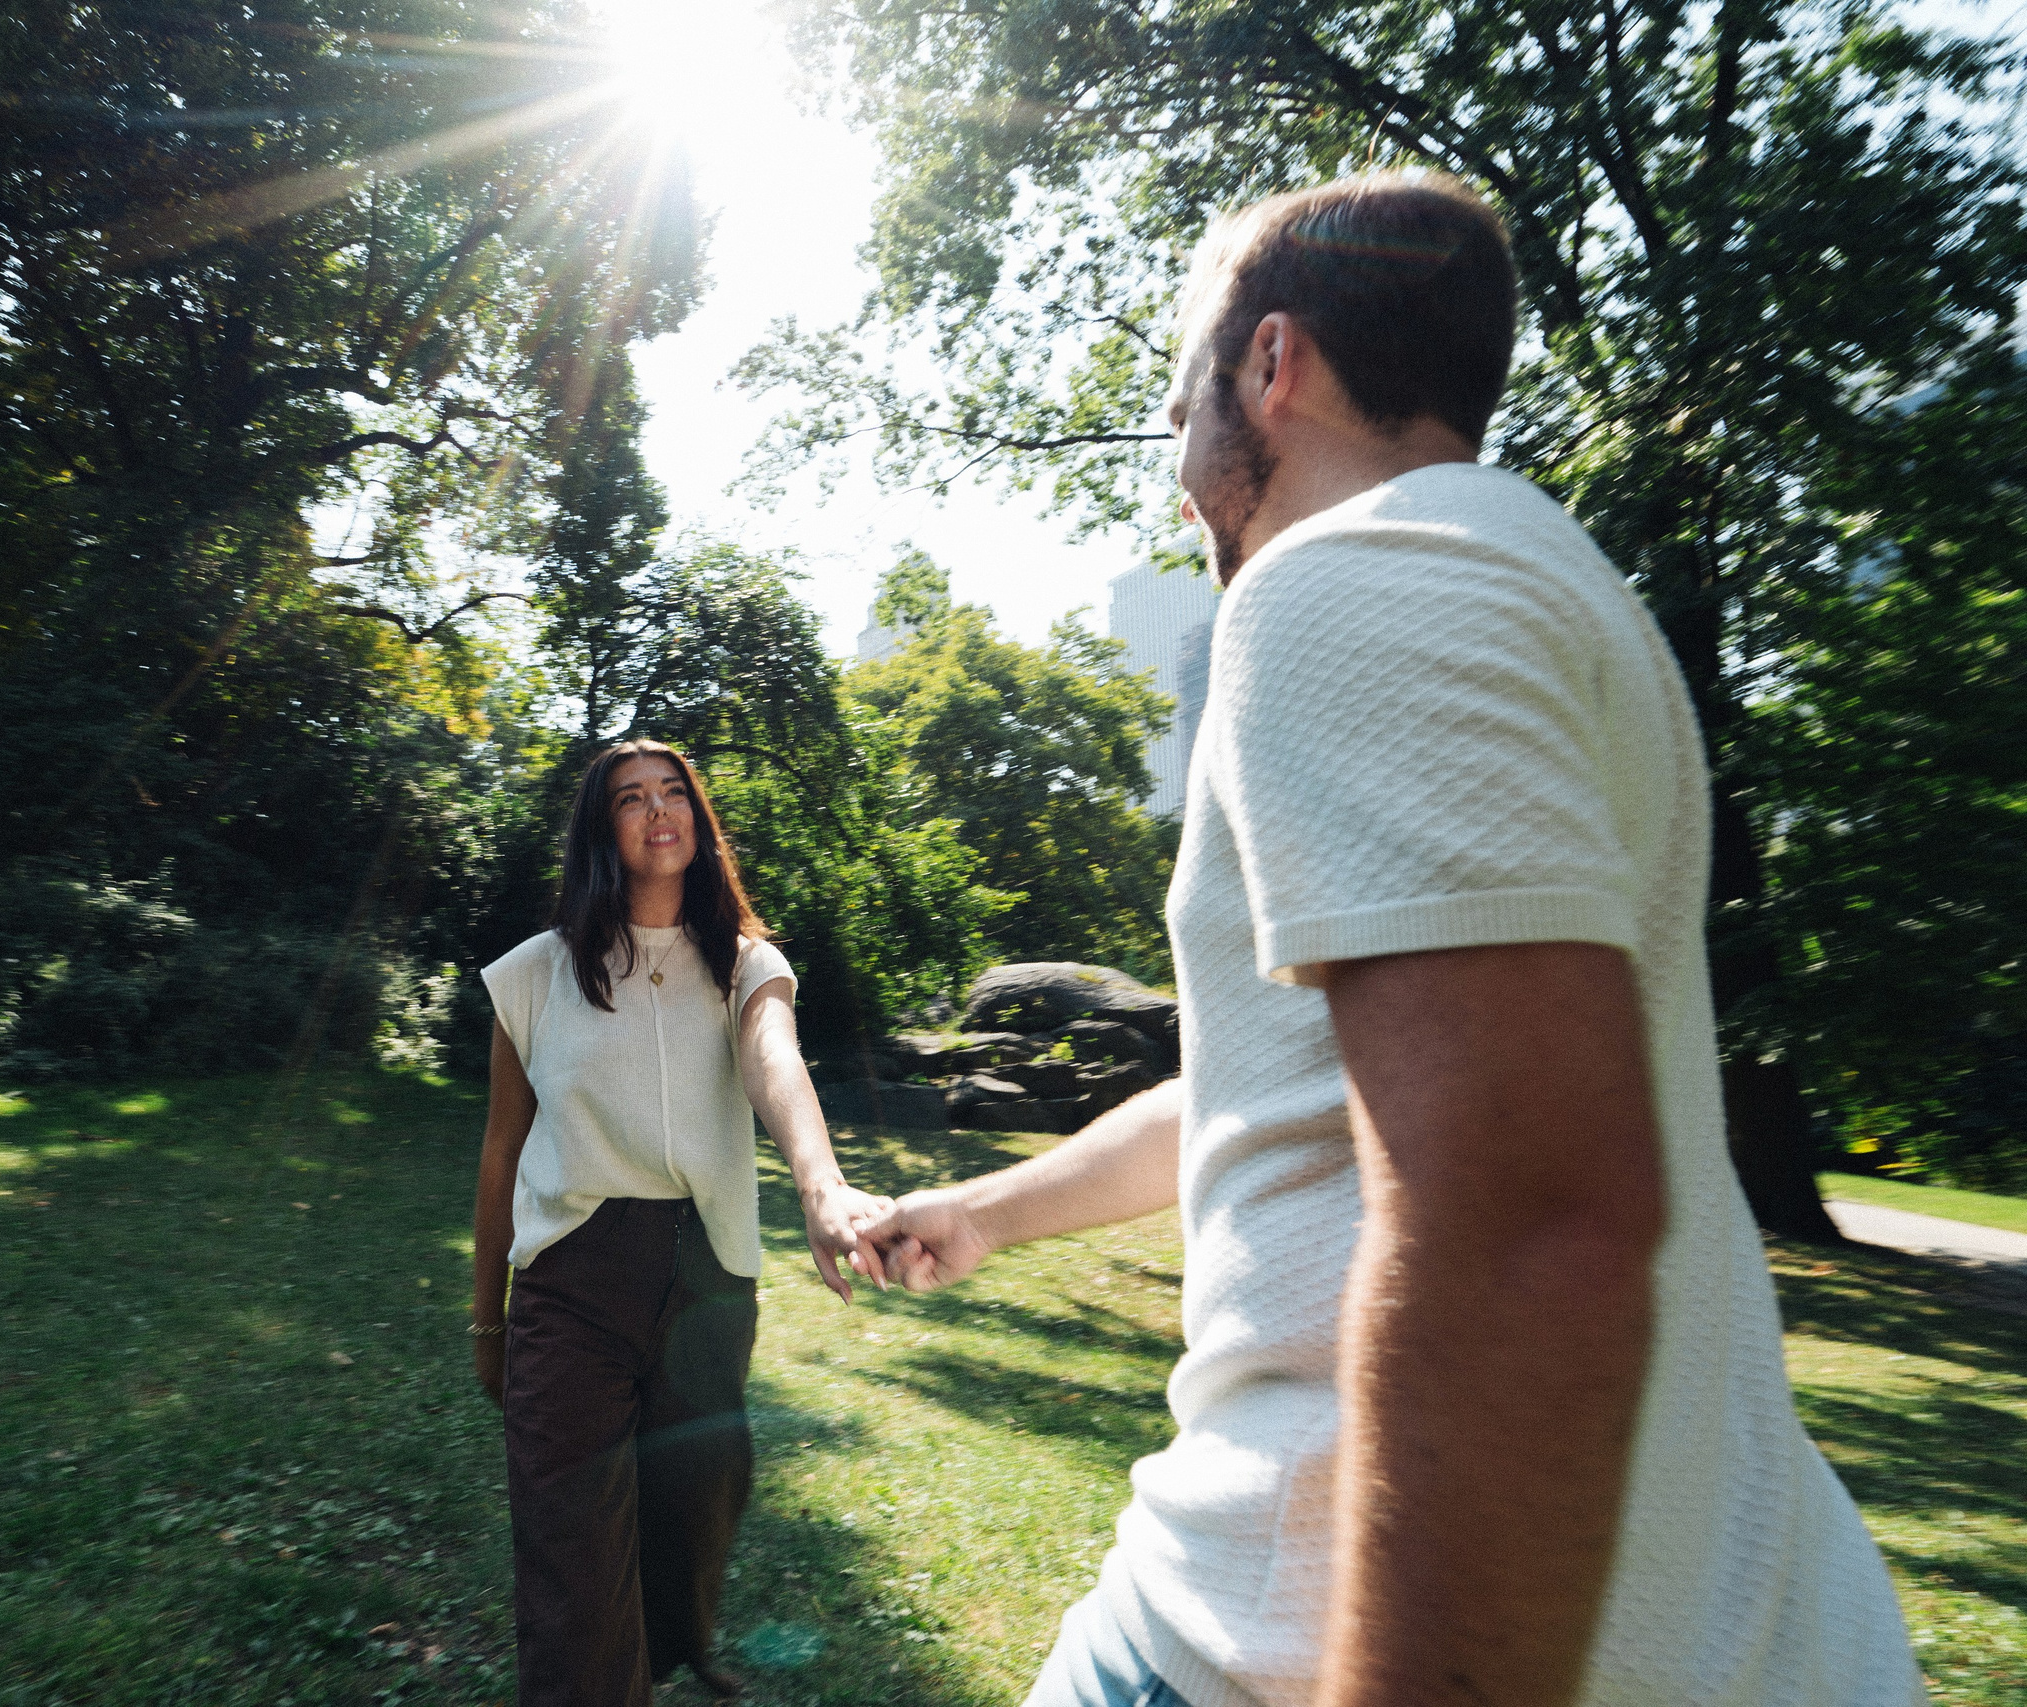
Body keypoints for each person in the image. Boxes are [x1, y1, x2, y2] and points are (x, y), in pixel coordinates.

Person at [852, 175, 1924, 1707]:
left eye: (1179, 409)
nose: (1178, 470)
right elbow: (1292, 1089)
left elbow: (1536, 1222)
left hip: (1259, 1644)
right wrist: (992, 1209)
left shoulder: (1351, 578)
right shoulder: (1549, 589)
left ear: (1271, 365)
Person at [469, 738, 885, 1706]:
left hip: (707, 1285)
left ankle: (669, 1647)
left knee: (694, 1509)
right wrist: (488, 1320)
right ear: (599, 829)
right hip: (571, 1286)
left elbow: (773, 1063)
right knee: (572, 1553)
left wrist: (821, 1187)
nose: (658, 810)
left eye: (674, 794)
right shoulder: (534, 976)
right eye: (630, 798)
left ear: (697, 822)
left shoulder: (745, 964)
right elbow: (498, 1153)